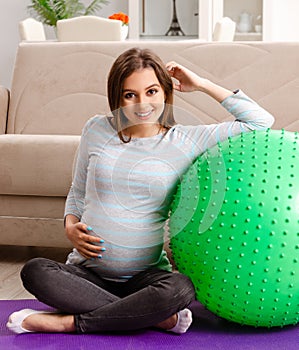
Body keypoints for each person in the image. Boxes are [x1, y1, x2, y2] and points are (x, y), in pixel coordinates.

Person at [7, 47, 274, 335]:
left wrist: (201, 84)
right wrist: (70, 227)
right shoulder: (96, 129)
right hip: (87, 273)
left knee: (181, 289)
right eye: (129, 94)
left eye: (151, 91)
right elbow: (77, 191)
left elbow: (259, 122)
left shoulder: (185, 140)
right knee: (35, 271)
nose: (142, 104)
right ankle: (147, 315)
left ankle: (71, 323)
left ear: (165, 91)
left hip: (146, 277)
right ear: (117, 98)